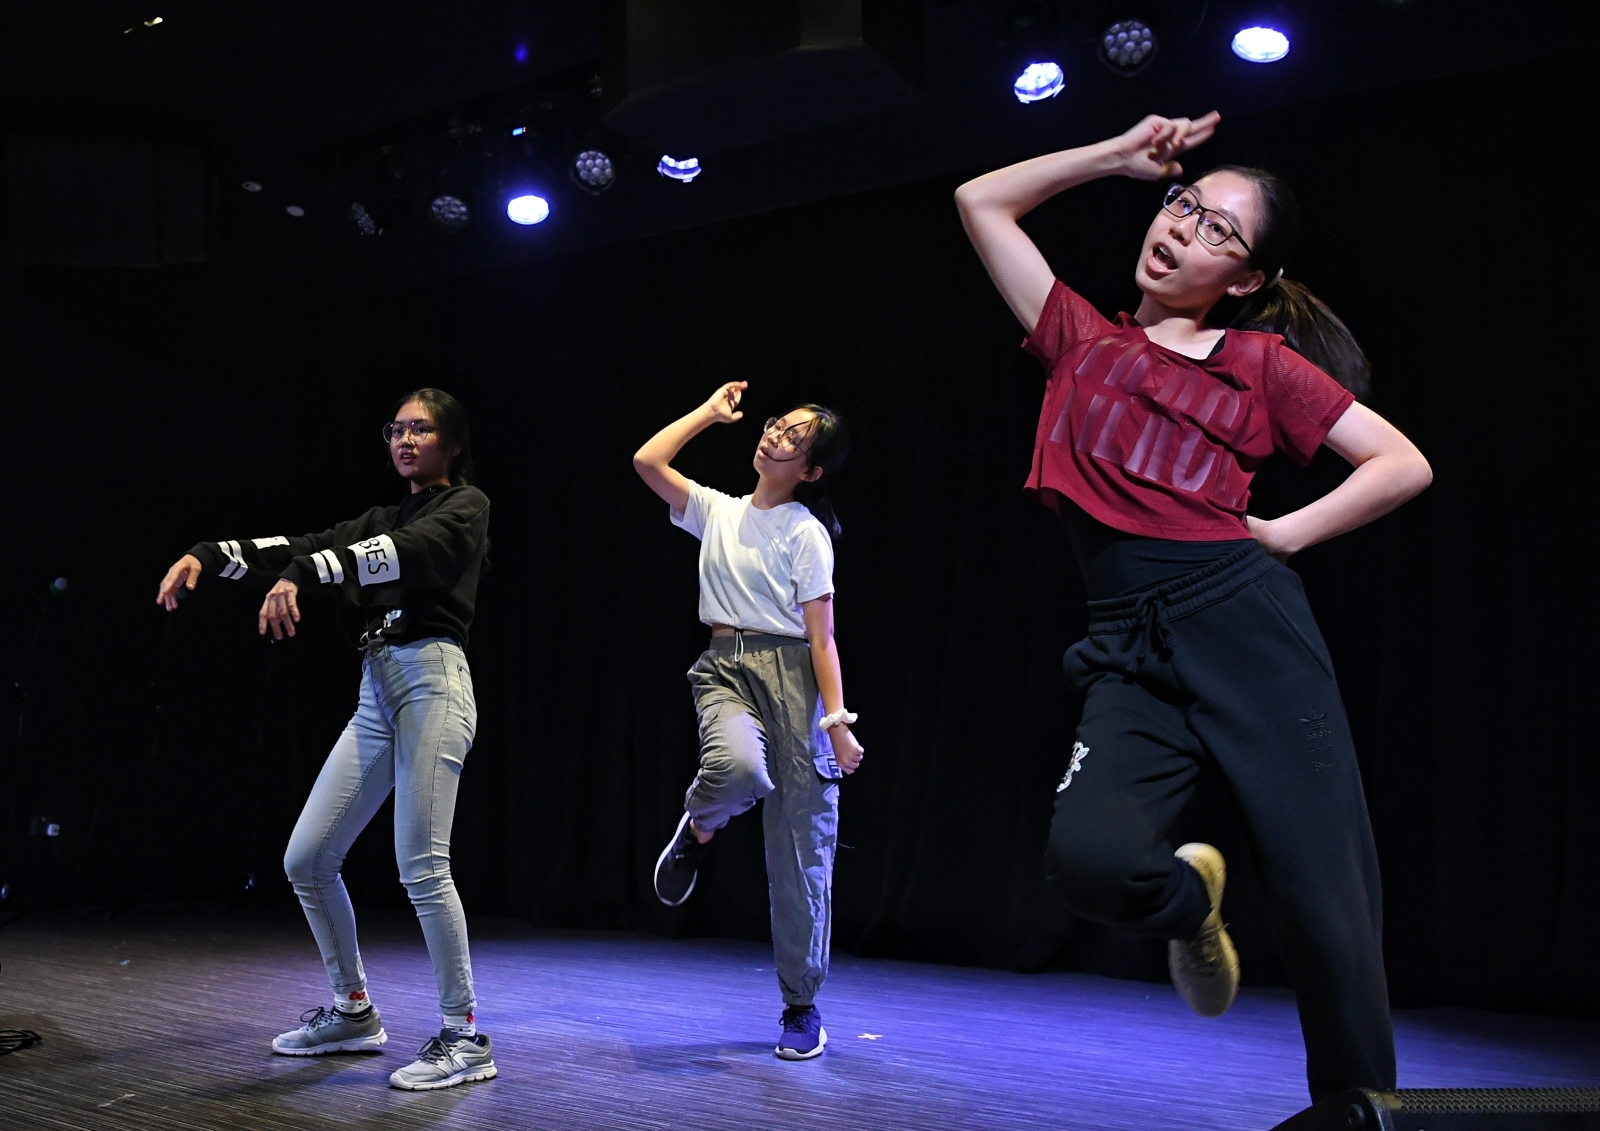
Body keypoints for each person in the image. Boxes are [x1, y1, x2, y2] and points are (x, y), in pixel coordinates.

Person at [954, 112, 1432, 1100]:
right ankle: (1190, 904)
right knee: (1088, 864)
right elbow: (978, 200)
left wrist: (1283, 535)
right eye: (1182, 204)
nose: (1182, 227)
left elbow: (1401, 463)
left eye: (1219, 229)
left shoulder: (1255, 366)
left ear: (1247, 279)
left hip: (1243, 627)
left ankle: (1359, 1119)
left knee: (1326, 909)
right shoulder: (1078, 342)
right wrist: (1113, 159)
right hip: (1128, 644)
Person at [154, 388, 497, 1092]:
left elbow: (403, 554)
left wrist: (303, 576)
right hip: (378, 689)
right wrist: (207, 554)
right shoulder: (378, 515)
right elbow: (300, 546)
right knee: (308, 857)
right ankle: (353, 1010)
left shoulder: (465, 507)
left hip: (432, 677)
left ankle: (464, 1037)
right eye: (395, 429)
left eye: (420, 429)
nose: (404, 440)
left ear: (452, 443)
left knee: (422, 864)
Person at [634, 381, 864, 1061]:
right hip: (726, 664)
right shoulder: (717, 510)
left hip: (795, 675)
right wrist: (706, 412)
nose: (775, 436)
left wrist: (837, 722)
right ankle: (701, 824)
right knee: (735, 768)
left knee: (802, 849)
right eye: (776, 426)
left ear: (812, 469)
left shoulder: (805, 532)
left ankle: (801, 1004)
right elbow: (648, 462)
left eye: (795, 438)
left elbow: (822, 638)